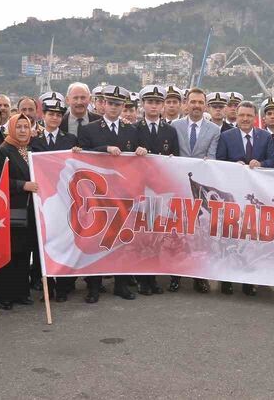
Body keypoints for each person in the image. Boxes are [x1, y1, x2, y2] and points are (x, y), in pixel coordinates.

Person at [78, 85, 147, 302]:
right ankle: (94, 287)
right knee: (98, 240)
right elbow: (81, 155)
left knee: (122, 239)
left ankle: (121, 285)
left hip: (124, 192)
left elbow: (138, 157)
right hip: (99, 193)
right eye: (111, 103)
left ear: (123, 106)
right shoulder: (89, 129)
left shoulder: (132, 130)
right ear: (103, 104)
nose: (115, 107)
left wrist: (141, 152)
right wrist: (105, 149)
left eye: (119, 104)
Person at [216, 101, 274, 296]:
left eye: (249, 116)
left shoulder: (266, 137)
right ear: (236, 115)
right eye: (241, 115)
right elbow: (219, 162)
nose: (244, 119)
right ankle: (227, 280)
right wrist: (234, 166)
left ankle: (249, 282)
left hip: (255, 196)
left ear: (254, 118)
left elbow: (273, 161)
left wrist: (260, 163)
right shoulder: (226, 137)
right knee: (230, 236)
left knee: (251, 237)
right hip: (232, 195)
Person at [170, 88, 221, 293]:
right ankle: (176, 276)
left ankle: (200, 277)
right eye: (193, 102)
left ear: (205, 105)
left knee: (200, 233)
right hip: (177, 185)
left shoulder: (214, 130)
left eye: (201, 102)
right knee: (178, 232)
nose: (197, 106)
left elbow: (213, 157)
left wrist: (208, 164)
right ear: (186, 103)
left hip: (200, 188)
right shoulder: (174, 126)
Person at [31, 93, 79, 301]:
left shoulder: (70, 140)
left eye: (59, 115)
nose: (55, 118)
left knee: (65, 241)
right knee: (45, 242)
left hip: (65, 199)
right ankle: (48, 286)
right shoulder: (35, 140)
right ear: (44, 115)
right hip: (42, 199)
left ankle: (64, 286)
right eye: (51, 114)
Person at [135, 85, 179, 295]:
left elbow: (176, 158)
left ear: (162, 106)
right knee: (142, 233)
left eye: (157, 102)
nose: (153, 106)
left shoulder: (170, 131)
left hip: (161, 189)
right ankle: (143, 279)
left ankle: (152, 278)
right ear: (143, 104)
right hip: (141, 188)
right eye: (150, 102)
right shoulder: (135, 128)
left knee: (156, 233)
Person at [0, 113, 39, 310]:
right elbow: (0, 180)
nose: (22, 131)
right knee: (10, 252)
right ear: (11, 128)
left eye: (26, 127)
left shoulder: (31, 149)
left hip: (30, 209)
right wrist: (23, 185)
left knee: (25, 251)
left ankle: (22, 292)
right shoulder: (4, 150)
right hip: (11, 209)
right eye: (19, 127)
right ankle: (5, 294)